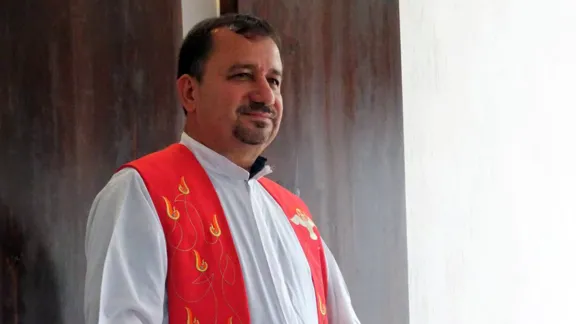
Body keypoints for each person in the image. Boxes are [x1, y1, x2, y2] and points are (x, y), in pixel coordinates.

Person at [84, 13, 360, 324]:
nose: (266, 95)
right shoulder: (142, 192)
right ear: (190, 92)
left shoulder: (294, 215)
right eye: (243, 75)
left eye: (274, 80)